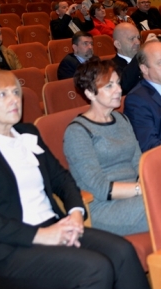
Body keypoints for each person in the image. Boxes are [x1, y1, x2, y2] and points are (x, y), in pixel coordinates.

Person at [0, 71, 151, 289]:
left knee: (123, 251)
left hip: (55, 225)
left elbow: (61, 179)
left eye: (16, 92)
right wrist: (41, 235)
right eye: (2, 95)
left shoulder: (28, 133)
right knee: (95, 269)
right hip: (9, 247)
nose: (14, 99)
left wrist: (75, 213)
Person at [63, 59, 148, 236]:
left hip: (136, 196)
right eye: (109, 86)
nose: (118, 90)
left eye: (118, 83)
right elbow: (99, 188)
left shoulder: (122, 119)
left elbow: (139, 163)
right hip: (103, 208)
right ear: (90, 93)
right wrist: (141, 189)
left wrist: (145, 185)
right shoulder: (77, 132)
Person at [111, 23, 143, 95]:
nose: (138, 42)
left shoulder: (146, 59)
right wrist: (140, 54)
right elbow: (124, 87)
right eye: (132, 39)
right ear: (118, 44)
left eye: (138, 38)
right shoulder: (111, 66)